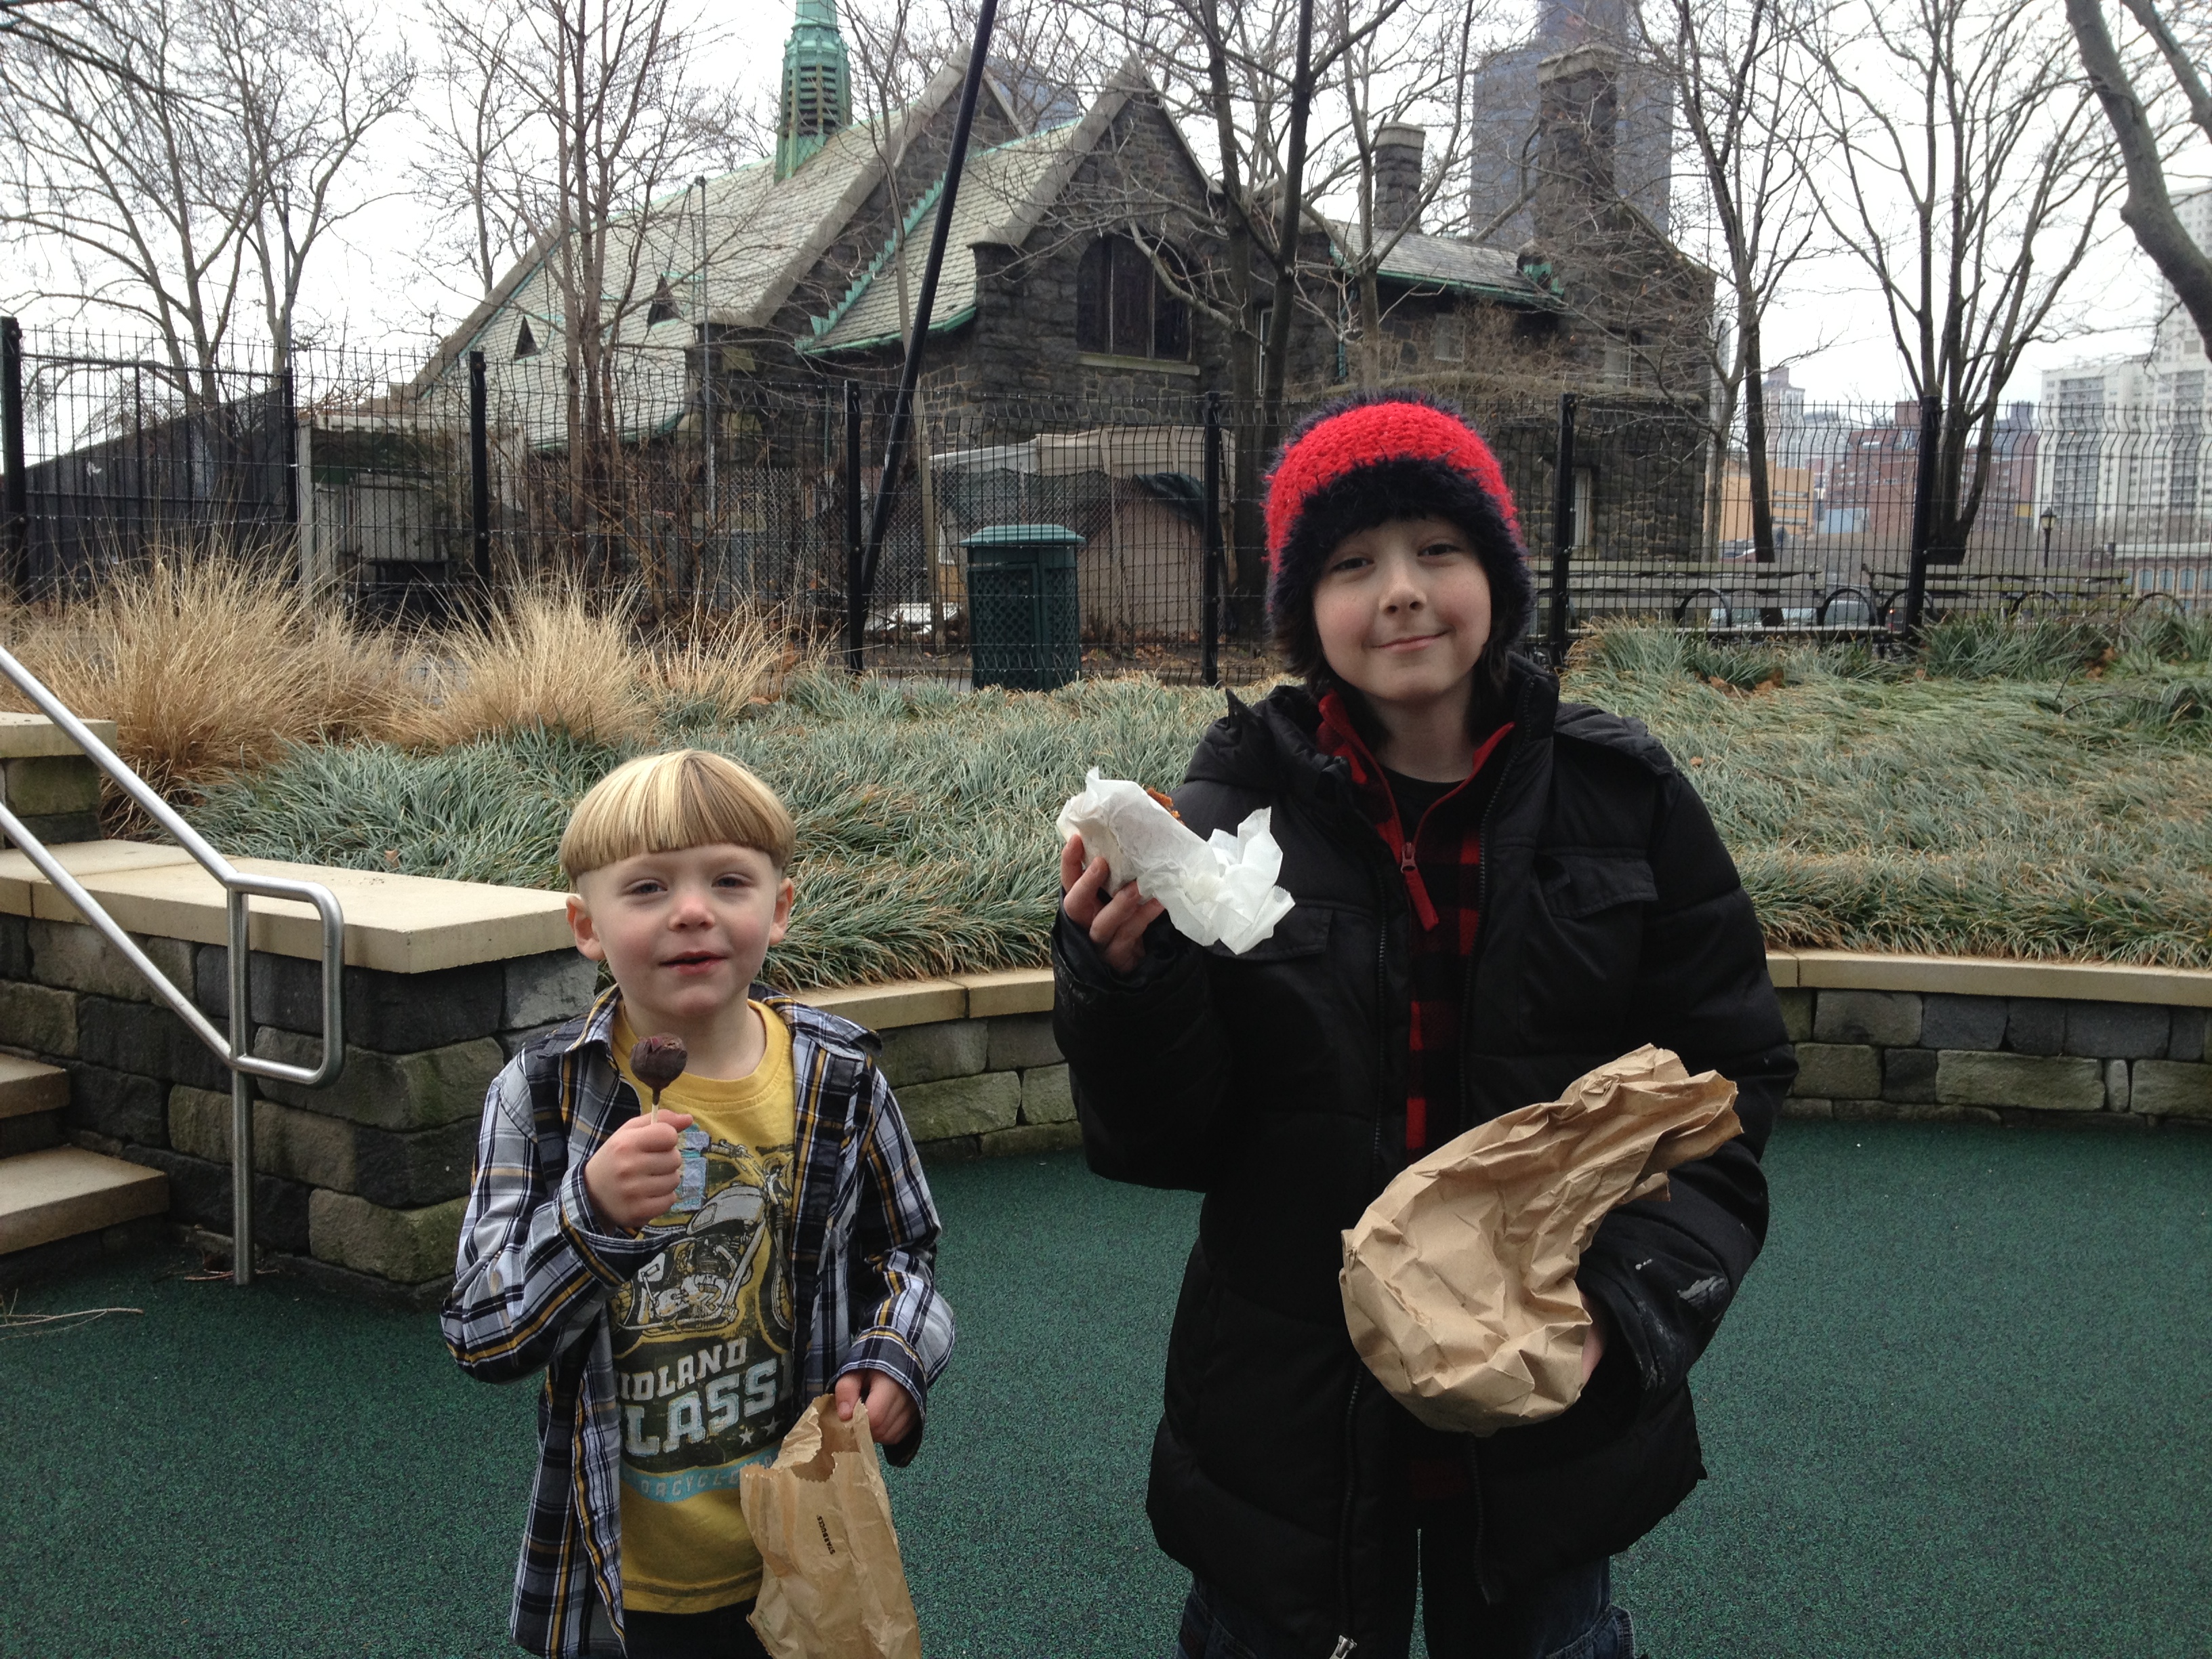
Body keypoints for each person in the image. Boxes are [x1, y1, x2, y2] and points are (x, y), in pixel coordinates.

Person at [1054, 394, 1795, 1659]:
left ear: (1496, 575)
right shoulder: (1236, 808)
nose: (1401, 591)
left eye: (1439, 551)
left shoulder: (1622, 797)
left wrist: (1625, 1312)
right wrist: (1124, 988)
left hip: (1542, 1395)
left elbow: (1725, 1087)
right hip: (1290, 1405)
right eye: (1353, 564)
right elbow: (1166, 1139)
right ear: (1306, 611)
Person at [443, 749, 954, 1659]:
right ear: (586, 926)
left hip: (797, 1556)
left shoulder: (839, 1083)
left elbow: (906, 1255)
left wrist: (897, 1357)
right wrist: (591, 1216)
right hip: (617, 1576)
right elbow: (482, 1333)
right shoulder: (542, 1096)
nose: (691, 910)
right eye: (645, 889)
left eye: (728, 880)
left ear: (780, 908)